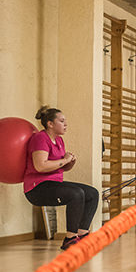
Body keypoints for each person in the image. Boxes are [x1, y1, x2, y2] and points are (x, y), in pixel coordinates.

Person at [23, 106, 100, 251]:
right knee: (76, 194)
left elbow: (60, 167)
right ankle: (70, 239)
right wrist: (64, 160)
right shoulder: (40, 138)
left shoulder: (59, 141)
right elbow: (40, 166)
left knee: (92, 194)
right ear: (50, 124)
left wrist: (69, 163)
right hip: (37, 188)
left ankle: (82, 235)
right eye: (62, 121)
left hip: (53, 184)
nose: (66, 124)